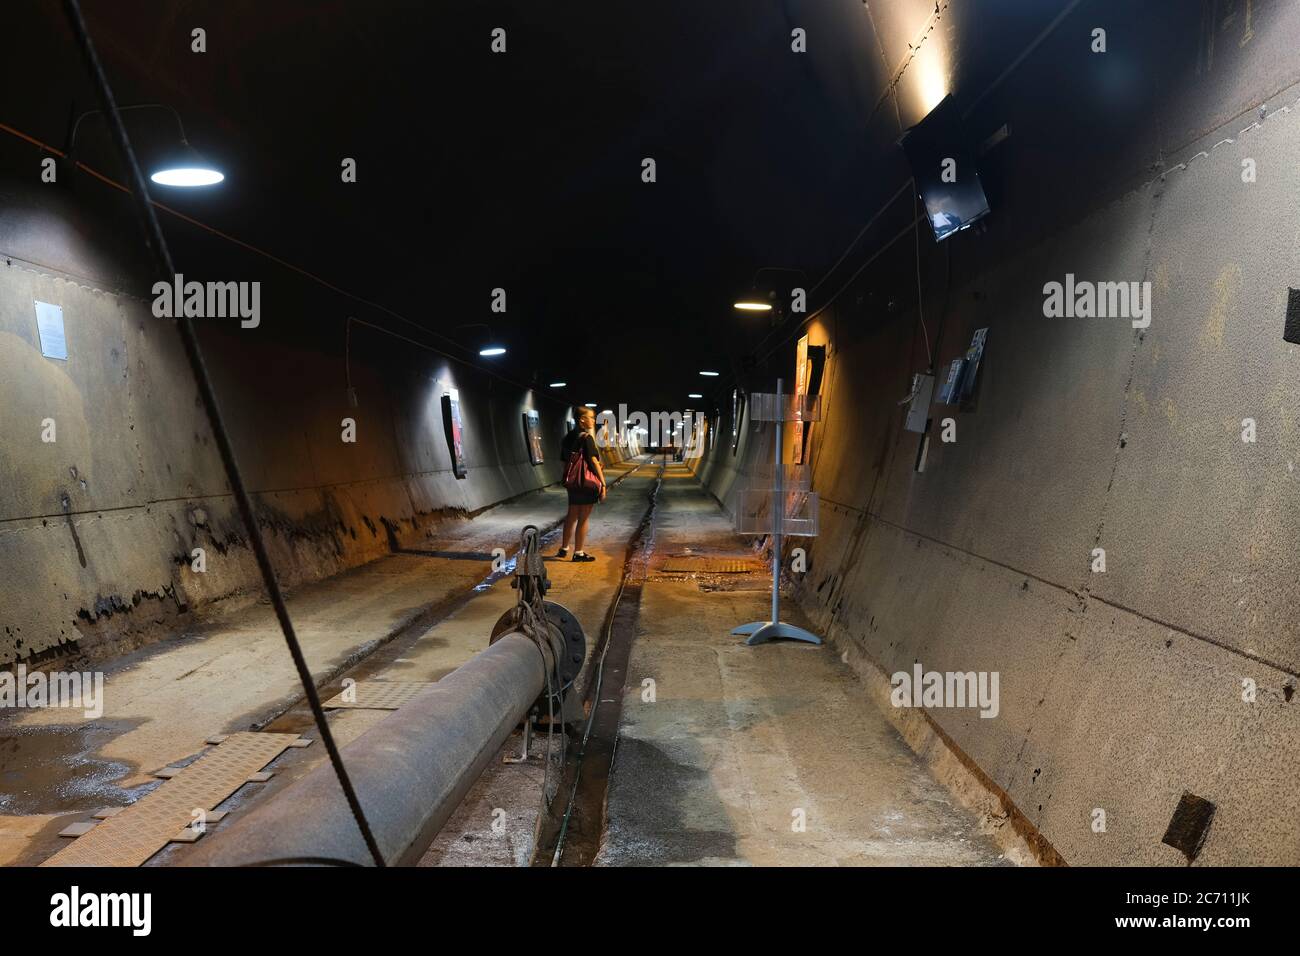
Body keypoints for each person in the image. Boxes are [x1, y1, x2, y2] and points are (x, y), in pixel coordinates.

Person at [558, 406, 607, 562]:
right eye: (591, 417)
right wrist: (603, 484)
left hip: (572, 482)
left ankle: (564, 548)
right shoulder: (586, 438)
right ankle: (578, 552)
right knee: (583, 518)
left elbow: (564, 461)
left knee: (571, 515)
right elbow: (593, 461)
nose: (593, 420)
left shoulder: (567, 438)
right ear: (582, 420)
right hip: (586, 483)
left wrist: (570, 478)